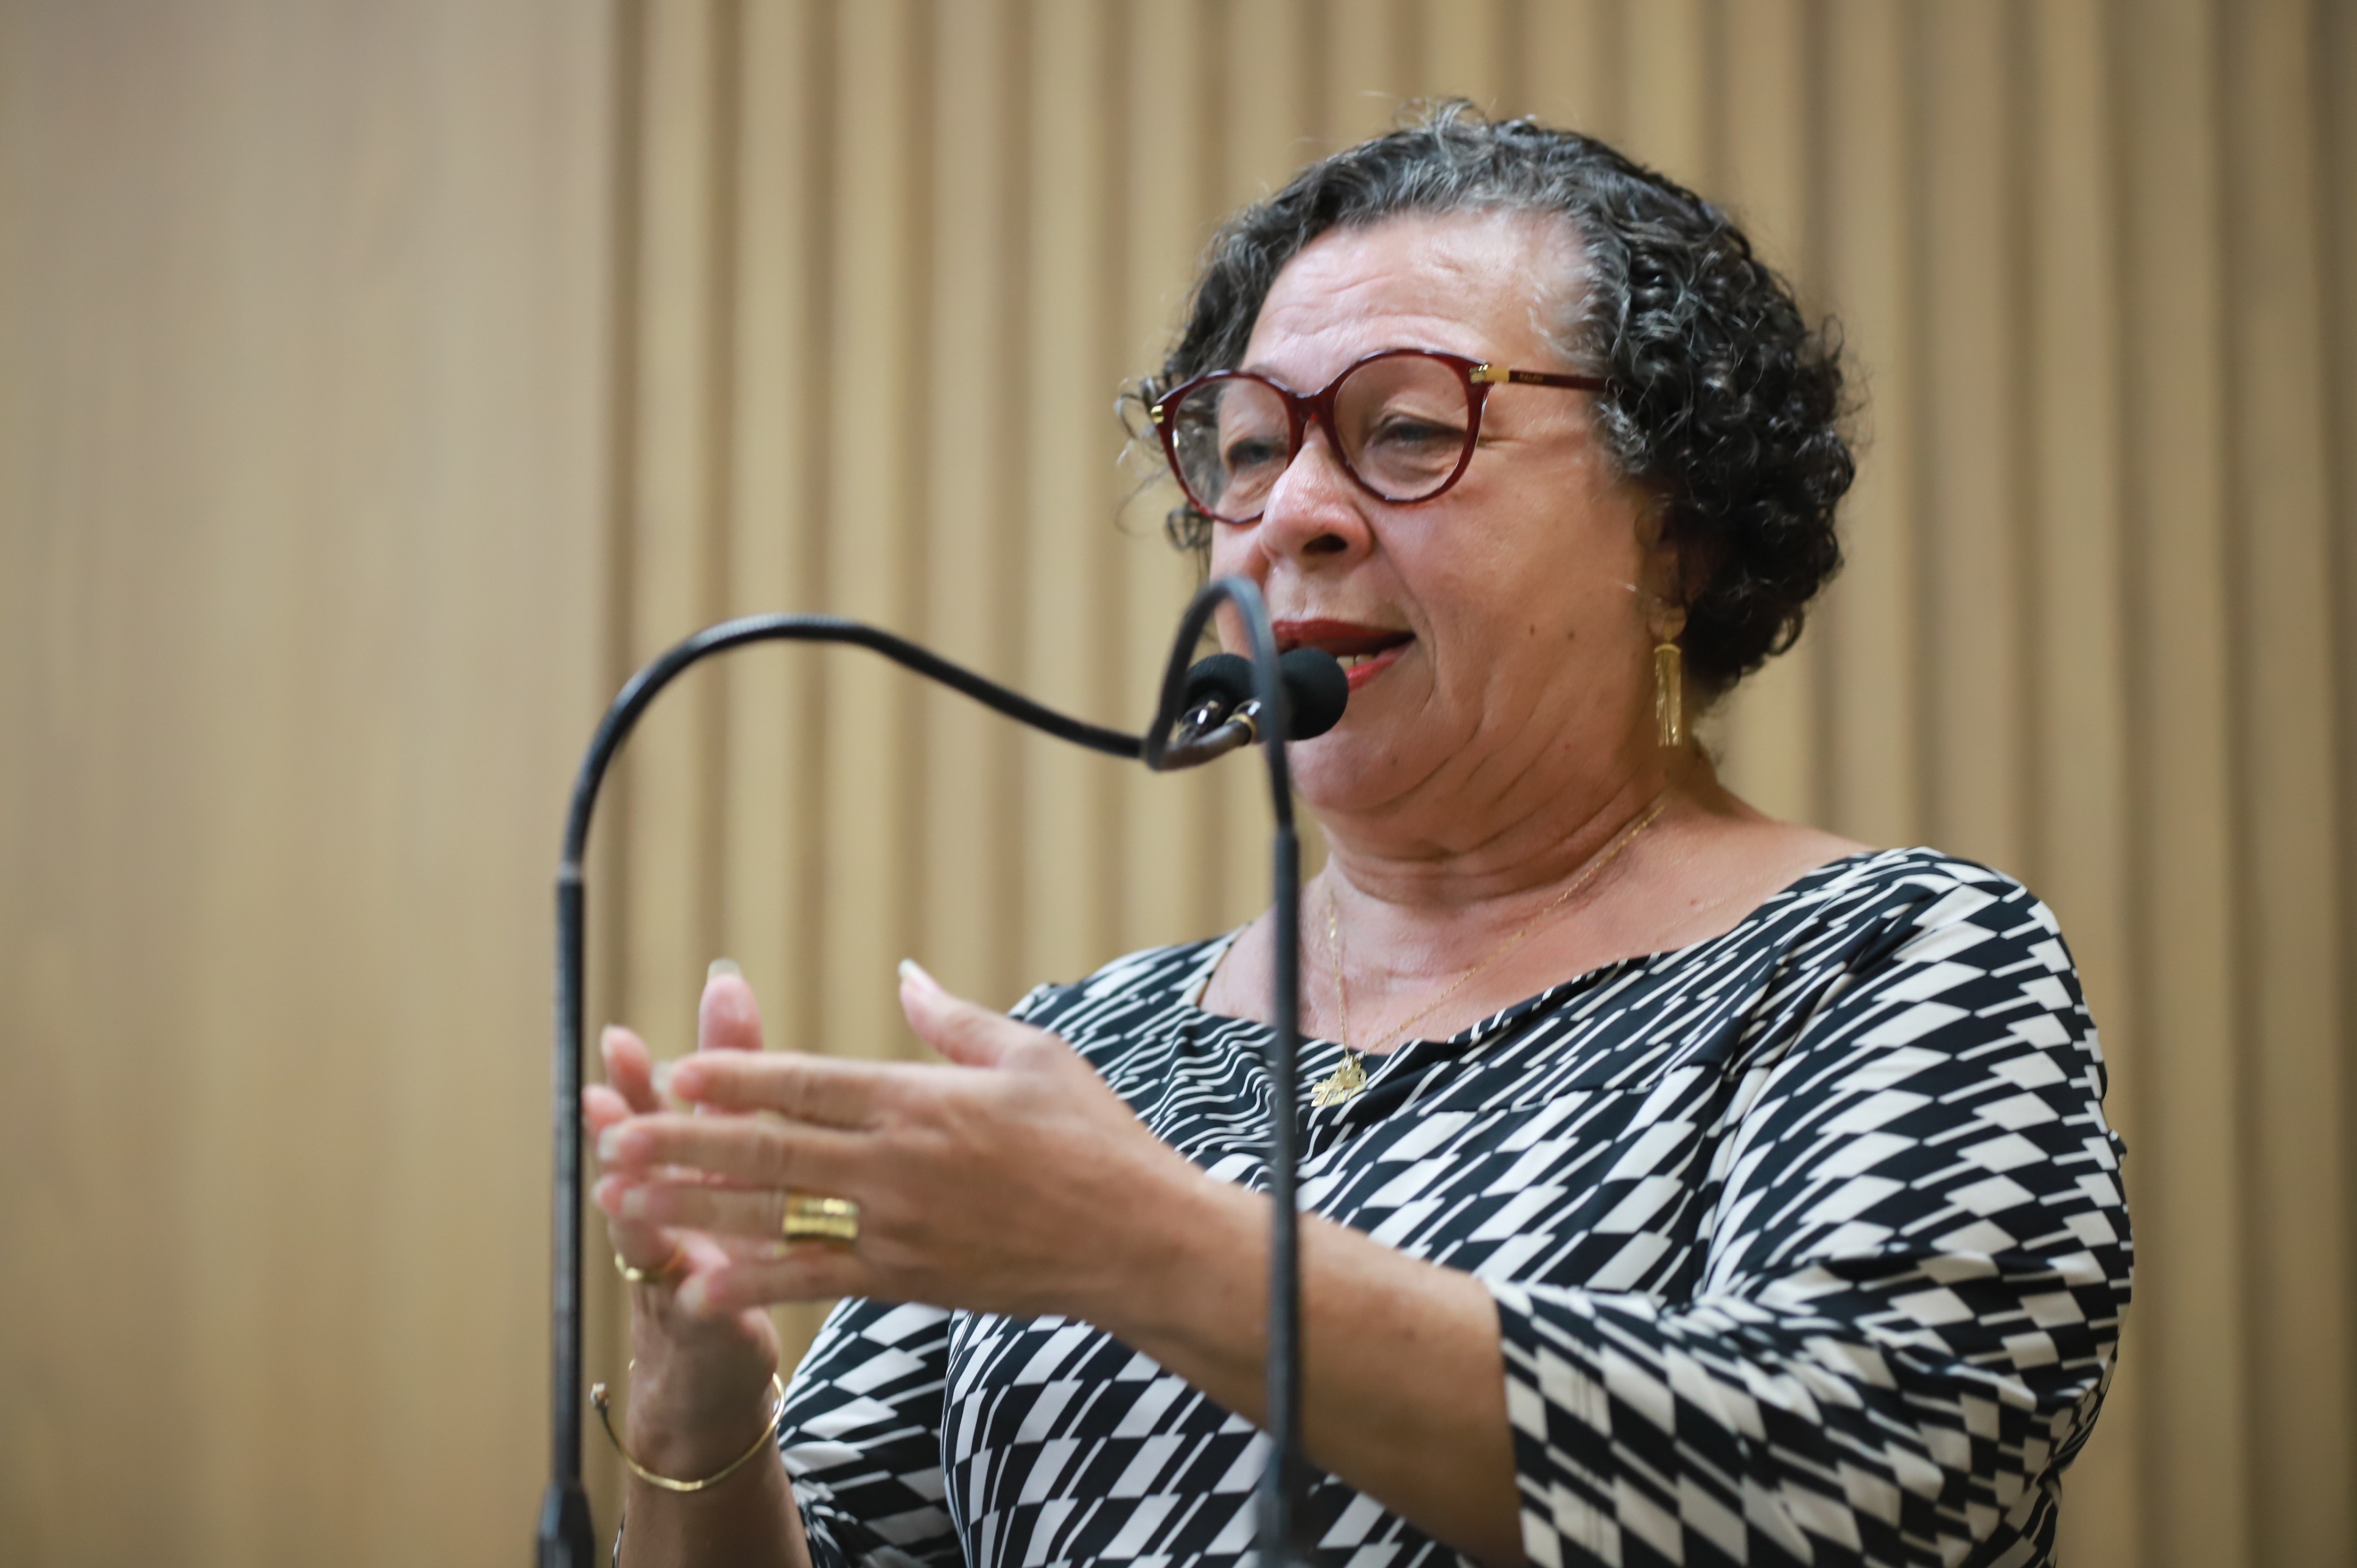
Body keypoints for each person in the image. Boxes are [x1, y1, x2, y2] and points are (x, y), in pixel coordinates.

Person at [583, 106, 2128, 1568]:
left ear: (1678, 532)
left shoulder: (1894, 960)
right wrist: (696, 1412)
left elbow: (1856, 1483)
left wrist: (1146, 1244)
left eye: (1406, 429)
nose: (1290, 515)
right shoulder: (1095, 1053)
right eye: (1252, 449)